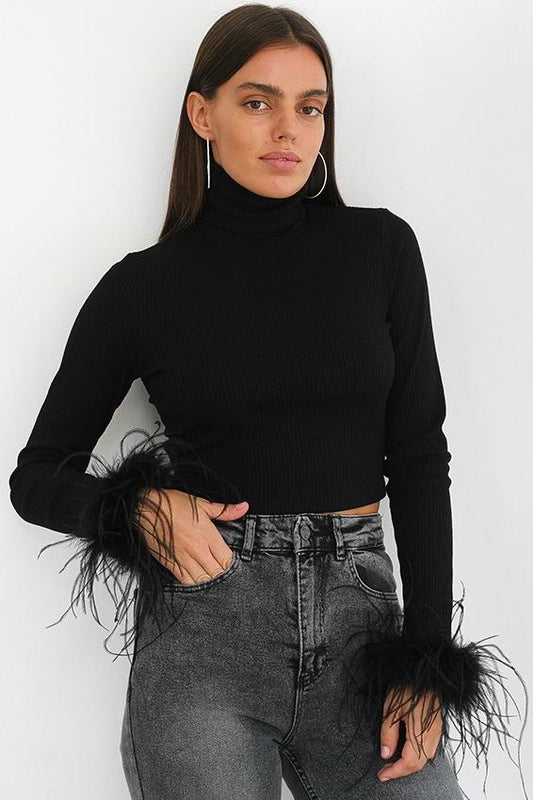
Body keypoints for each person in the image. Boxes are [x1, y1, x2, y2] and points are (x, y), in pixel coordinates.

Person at [8, 4, 528, 799]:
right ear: (202, 114)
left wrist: (424, 663)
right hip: (204, 638)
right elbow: (36, 476)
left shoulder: (380, 250)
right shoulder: (141, 288)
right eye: (257, 102)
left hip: (362, 628)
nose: (288, 129)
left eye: (309, 107)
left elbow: (420, 457)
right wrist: (139, 509)